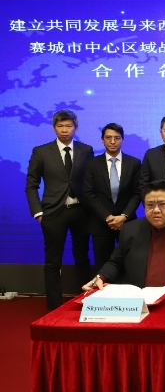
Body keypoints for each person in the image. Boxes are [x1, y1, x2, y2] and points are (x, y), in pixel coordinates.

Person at [82, 180, 165, 293]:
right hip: (139, 302)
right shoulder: (130, 229)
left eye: (162, 204)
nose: (156, 210)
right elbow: (116, 262)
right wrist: (101, 276)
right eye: (150, 205)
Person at [25, 109, 95, 310]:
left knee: (82, 257)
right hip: (53, 212)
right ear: (54, 128)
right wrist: (38, 212)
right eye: (60, 126)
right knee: (53, 261)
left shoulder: (86, 150)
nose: (64, 130)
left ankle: (84, 302)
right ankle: (54, 308)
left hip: (81, 211)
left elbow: (91, 181)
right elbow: (31, 184)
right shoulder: (41, 151)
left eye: (68, 126)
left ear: (76, 128)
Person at [83, 123, 142, 270]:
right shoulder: (92, 164)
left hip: (127, 223)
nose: (113, 141)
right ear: (102, 140)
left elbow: (138, 193)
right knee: (103, 266)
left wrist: (124, 216)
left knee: (131, 264)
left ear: (123, 140)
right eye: (109, 138)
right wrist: (107, 217)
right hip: (101, 223)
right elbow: (89, 194)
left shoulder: (134, 163)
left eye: (117, 138)